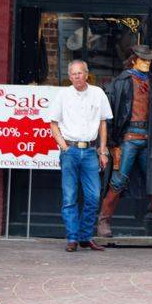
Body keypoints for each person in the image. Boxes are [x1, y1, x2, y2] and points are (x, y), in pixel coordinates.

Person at [97, 45, 152, 238]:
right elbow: (110, 114)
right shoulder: (122, 82)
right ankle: (103, 221)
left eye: (149, 61)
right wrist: (111, 144)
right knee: (118, 180)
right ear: (134, 60)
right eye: (144, 60)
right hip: (128, 139)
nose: (147, 64)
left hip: (150, 139)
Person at [49, 59, 112, 252]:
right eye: (73, 74)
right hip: (70, 150)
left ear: (87, 74)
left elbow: (102, 123)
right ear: (69, 76)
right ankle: (72, 238)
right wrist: (64, 147)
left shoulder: (98, 93)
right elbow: (53, 123)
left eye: (80, 73)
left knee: (93, 196)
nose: (77, 77)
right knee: (69, 197)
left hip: (91, 151)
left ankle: (85, 236)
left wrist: (103, 150)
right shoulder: (63, 95)